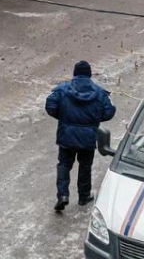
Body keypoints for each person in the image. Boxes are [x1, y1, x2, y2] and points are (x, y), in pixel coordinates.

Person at [45, 60, 116, 211]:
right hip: (88, 138)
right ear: (89, 74)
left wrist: (64, 118)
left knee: (64, 165)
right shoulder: (100, 93)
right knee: (85, 166)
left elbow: (50, 105)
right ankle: (84, 197)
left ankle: (63, 195)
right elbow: (109, 112)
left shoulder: (62, 89)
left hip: (67, 136)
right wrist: (94, 120)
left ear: (75, 73)